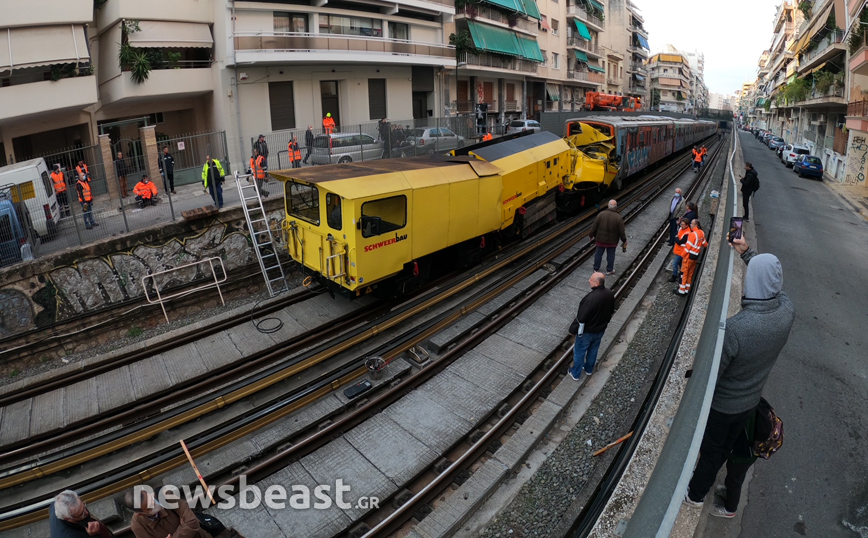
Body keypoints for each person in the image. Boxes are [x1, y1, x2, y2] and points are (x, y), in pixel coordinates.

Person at [685, 235, 795, 517]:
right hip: (750, 402)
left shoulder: (736, 329)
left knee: (713, 452)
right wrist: (747, 253)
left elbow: (712, 376)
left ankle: (695, 496)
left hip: (723, 406)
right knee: (728, 447)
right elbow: (776, 288)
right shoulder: (786, 310)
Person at [567, 272, 616, 379]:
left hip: (587, 331)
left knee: (579, 352)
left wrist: (572, 330)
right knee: (594, 349)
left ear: (597, 283)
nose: (589, 280)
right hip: (600, 329)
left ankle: (575, 373)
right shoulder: (609, 293)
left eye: (591, 279)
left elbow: (581, 318)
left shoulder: (591, 298)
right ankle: (589, 369)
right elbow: (612, 309)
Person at [125, 488, 214, 538]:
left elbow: (192, 522)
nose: (155, 504)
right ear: (140, 514)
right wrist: (183, 527)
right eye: (149, 508)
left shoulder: (164, 494)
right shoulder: (138, 526)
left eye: (152, 499)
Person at [589, 199, 627, 275]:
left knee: (598, 254)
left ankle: (596, 269)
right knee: (611, 255)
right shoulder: (618, 218)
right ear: (616, 207)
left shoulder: (601, 214)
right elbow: (621, 232)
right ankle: (609, 270)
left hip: (600, 239)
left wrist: (591, 235)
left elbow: (594, 227)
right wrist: (624, 240)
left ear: (608, 206)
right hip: (612, 241)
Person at [675, 218, 707, 296]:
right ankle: (687, 289)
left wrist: (682, 255)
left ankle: (681, 291)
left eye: (692, 224)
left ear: (695, 225)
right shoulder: (701, 233)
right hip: (695, 257)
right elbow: (705, 244)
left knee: (684, 274)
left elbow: (687, 248)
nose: (690, 225)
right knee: (690, 274)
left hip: (688, 257)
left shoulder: (692, 234)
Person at [669, 217, 690, 283]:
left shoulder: (687, 233)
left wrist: (676, 238)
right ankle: (681, 274)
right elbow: (676, 235)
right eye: (681, 224)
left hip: (682, 252)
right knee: (680, 264)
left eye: (683, 224)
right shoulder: (681, 228)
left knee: (674, 264)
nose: (681, 225)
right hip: (678, 250)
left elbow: (679, 241)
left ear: (687, 225)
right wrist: (677, 238)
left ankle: (674, 276)